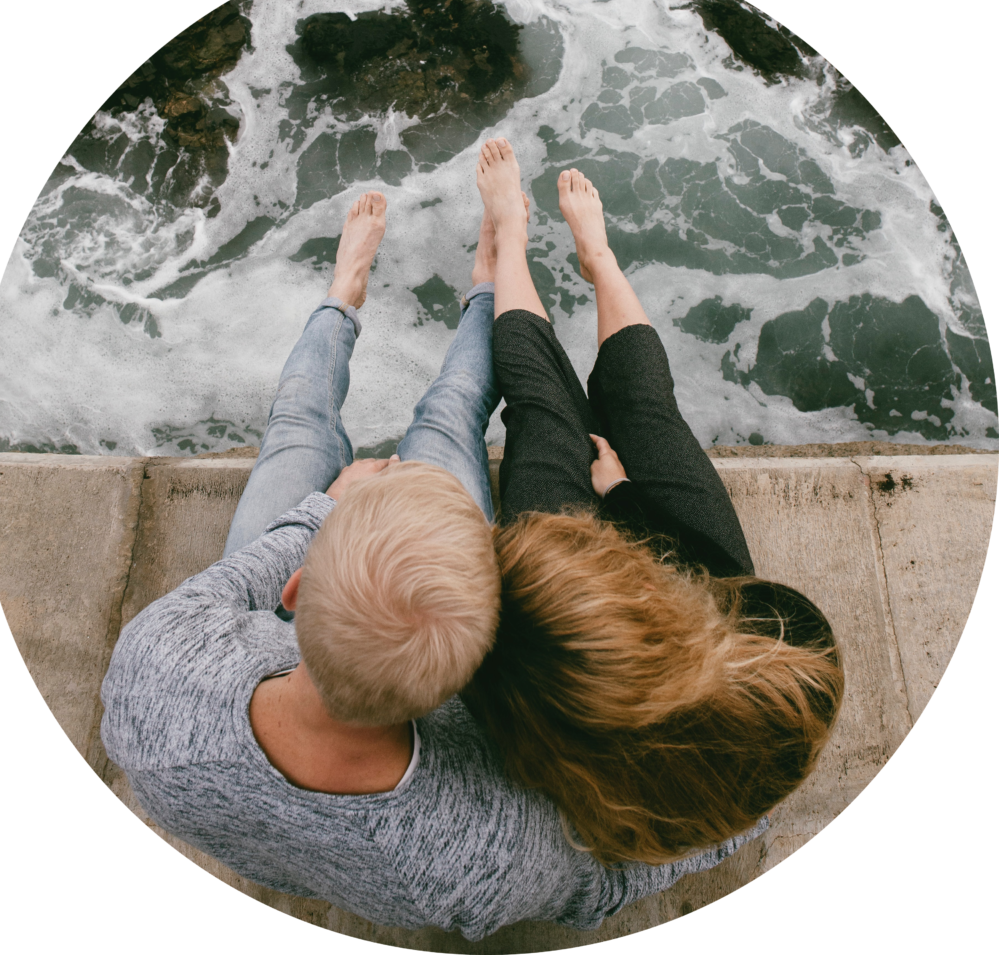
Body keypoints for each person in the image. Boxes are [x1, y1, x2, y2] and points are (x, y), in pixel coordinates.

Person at [100, 184, 763, 942]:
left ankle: (347, 292)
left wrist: (324, 513)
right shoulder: (488, 846)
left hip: (293, 629)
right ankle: (482, 288)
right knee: (447, 412)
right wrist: (749, 810)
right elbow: (610, 879)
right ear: (475, 674)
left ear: (295, 584)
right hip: (368, 642)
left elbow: (227, 587)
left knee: (297, 431)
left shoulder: (154, 668)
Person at [462, 138, 844, 866]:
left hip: (590, 646)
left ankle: (510, 236)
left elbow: (495, 684)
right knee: (646, 408)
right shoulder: (786, 661)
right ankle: (597, 260)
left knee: (543, 412)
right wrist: (625, 497)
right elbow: (703, 573)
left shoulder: (543, 696)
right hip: (712, 584)